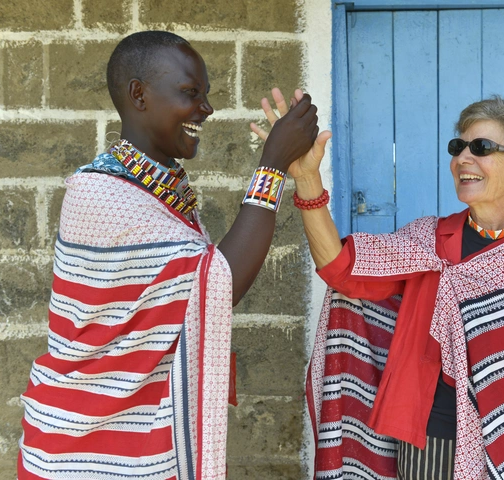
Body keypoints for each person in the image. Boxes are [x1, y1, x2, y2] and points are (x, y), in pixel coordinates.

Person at [18, 31, 318, 479]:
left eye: (206, 95)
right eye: (190, 93)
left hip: (136, 443)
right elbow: (218, 283)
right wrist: (271, 166)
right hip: (86, 450)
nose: (207, 108)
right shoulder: (101, 195)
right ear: (139, 94)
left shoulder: (158, 189)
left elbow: (201, 286)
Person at [253, 93, 504, 479]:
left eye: (481, 148)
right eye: (459, 146)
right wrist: (306, 179)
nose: (463, 159)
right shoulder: (427, 242)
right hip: (431, 440)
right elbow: (340, 268)